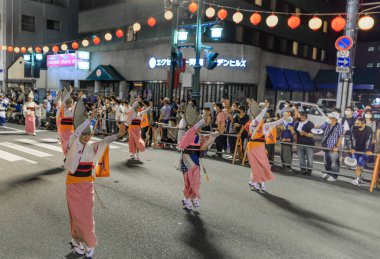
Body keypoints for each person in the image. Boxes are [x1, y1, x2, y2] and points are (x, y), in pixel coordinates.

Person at [65, 100, 126, 257]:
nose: (85, 137)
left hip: (86, 186)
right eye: (84, 134)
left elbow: (106, 141)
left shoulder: (92, 147)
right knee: (75, 216)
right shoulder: (72, 143)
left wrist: (119, 134)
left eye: (88, 134)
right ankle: (77, 242)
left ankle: (90, 243)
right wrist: (90, 118)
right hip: (72, 185)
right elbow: (76, 132)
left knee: (85, 216)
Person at [245, 101, 290, 191]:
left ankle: (257, 182)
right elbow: (259, 118)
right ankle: (256, 182)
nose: (265, 116)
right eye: (263, 115)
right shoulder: (253, 124)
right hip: (253, 146)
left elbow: (274, 124)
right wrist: (265, 108)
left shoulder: (264, 125)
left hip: (260, 146)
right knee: (257, 165)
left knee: (263, 165)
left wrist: (283, 119)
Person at [177, 119, 218, 210]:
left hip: (195, 161)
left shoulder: (200, 136)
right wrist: (202, 120)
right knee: (188, 181)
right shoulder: (188, 133)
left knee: (195, 181)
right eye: (198, 127)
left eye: (200, 128)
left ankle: (191, 197)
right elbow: (193, 130)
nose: (199, 129)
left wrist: (214, 135)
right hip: (187, 159)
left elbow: (204, 147)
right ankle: (188, 199)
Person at [318, 112, 344, 182]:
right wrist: (326, 122)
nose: (329, 118)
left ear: (335, 119)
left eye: (330, 117)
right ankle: (328, 172)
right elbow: (320, 128)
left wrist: (337, 146)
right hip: (326, 146)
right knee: (327, 161)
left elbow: (340, 137)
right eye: (329, 117)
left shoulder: (340, 126)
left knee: (334, 162)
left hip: (334, 147)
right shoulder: (327, 124)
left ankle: (334, 176)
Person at [350, 118, 373, 186]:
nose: (356, 124)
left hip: (365, 149)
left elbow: (368, 141)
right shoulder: (353, 128)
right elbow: (353, 139)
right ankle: (358, 178)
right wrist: (352, 148)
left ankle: (356, 179)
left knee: (360, 163)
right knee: (356, 164)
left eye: (358, 123)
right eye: (355, 123)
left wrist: (368, 150)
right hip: (356, 148)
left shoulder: (369, 129)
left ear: (364, 124)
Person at [58, 89, 76, 155]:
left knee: (71, 144)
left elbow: (77, 104)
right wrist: (69, 92)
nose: (69, 104)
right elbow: (63, 101)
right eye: (67, 103)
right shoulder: (63, 108)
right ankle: (66, 157)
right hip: (63, 130)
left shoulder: (72, 109)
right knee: (64, 144)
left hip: (71, 130)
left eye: (70, 103)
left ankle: (69, 159)